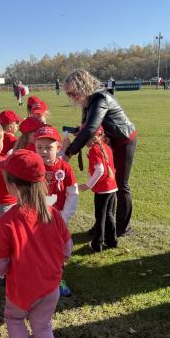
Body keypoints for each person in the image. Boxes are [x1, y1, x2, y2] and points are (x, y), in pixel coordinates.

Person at [0, 150, 72, 338]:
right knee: (43, 327)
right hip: (50, 287)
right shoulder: (53, 213)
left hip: (21, 289)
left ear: (13, 186)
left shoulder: (5, 223)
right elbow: (67, 250)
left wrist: (10, 266)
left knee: (14, 318)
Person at [63, 69, 137, 237]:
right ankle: (103, 225)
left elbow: (90, 128)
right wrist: (79, 131)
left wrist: (69, 152)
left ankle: (123, 227)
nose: (71, 97)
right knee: (106, 183)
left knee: (120, 184)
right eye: (68, 94)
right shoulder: (88, 101)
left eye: (73, 92)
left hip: (124, 141)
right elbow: (86, 126)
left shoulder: (100, 98)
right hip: (109, 142)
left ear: (83, 86)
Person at [34, 125, 79, 297]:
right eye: (39, 147)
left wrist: (64, 217)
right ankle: (38, 278)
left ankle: (57, 279)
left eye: (49, 147)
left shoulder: (64, 168)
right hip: (36, 219)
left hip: (58, 219)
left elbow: (72, 193)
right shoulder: (32, 166)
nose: (43, 151)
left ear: (58, 147)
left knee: (57, 251)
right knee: (37, 249)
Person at [79, 126, 118, 252]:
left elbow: (100, 170)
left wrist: (88, 185)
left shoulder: (94, 150)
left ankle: (97, 244)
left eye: (85, 137)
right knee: (109, 215)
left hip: (103, 189)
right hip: (112, 187)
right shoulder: (106, 147)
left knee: (100, 216)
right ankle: (112, 241)